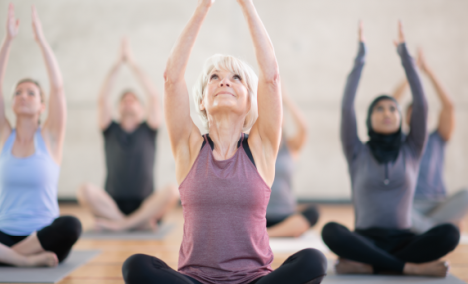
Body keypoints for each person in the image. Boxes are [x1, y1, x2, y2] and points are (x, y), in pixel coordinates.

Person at [121, 0, 327, 283]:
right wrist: (203, 7)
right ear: (202, 102)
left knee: (314, 261)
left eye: (236, 78)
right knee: (136, 265)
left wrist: (246, 5)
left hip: (253, 279)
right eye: (214, 78)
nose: (224, 82)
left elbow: (271, 78)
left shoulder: (261, 147)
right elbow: (172, 79)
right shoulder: (189, 147)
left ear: (249, 101)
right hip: (196, 279)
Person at [321, 21, 460, 277]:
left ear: (400, 117)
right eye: (379, 108)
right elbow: (346, 107)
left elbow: (422, 106)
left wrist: (406, 58)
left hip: (403, 240)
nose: (387, 112)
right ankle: (407, 268)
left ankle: (371, 265)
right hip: (365, 239)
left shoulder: (413, 148)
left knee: (450, 233)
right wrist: (360, 58)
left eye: (393, 108)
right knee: (330, 231)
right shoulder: (356, 150)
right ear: (369, 118)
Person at [0, 4, 81, 267]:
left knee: (71, 225)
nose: (23, 96)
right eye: (18, 93)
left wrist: (42, 41)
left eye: (31, 93)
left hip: (44, 237)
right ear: (11, 103)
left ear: (42, 107)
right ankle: (25, 261)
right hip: (5, 234)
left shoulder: (50, 138)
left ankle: (10, 258)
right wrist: (8, 41)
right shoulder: (4, 137)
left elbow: (57, 89)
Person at [76, 38, 178, 232]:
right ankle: (131, 224)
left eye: (133, 100)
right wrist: (117, 65)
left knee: (172, 191)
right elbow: (103, 98)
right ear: (118, 109)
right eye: (124, 100)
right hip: (111, 204)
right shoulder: (110, 129)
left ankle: (120, 225)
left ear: (142, 110)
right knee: (84, 191)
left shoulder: (149, 129)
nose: (129, 102)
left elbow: (154, 96)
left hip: (146, 204)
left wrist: (132, 63)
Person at [392, 48, 468, 234]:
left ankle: (422, 229)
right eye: (413, 113)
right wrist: (412, 74)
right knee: (391, 207)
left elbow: (449, 106)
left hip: (438, 204)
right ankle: (436, 230)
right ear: (405, 118)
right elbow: (391, 102)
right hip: (410, 205)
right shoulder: (399, 140)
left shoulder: (438, 138)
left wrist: (429, 72)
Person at [266, 89, 319, 238]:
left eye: (279, 112)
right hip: (259, 216)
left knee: (313, 212)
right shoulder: (254, 145)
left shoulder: (290, 146)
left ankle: (267, 234)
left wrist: (285, 98)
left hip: (286, 215)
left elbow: (304, 128)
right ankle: (281, 232)